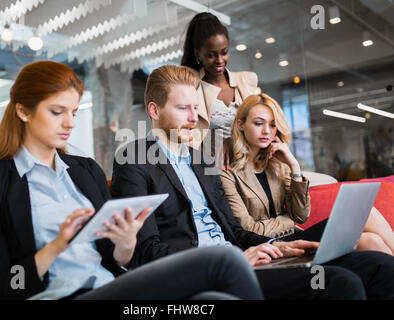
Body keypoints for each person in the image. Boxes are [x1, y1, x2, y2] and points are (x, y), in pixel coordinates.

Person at [0, 60, 266, 300]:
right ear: (23, 112)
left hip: (114, 288)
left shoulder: (85, 171)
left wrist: (125, 242)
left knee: (217, 299)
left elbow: (118, 259)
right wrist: (54, 248)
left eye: (74, 112)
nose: (70, 123)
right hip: (64, 294)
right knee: (225, 262)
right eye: (57, 112)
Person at [111, 64, 394, 300]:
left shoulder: (201, 160)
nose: (192, 117)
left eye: (195, 108)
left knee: (379, 265)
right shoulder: (134, 160)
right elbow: (146, 249)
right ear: (153, 110)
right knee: (342, 283)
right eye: (183, 108)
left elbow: (234, 229)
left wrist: (274, 245)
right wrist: (228, 260)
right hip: (206, 269)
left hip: (242, 255)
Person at [219, 93, 394, 256]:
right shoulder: (228, 173)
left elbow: (301, 215)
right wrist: (288, 221)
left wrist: (294, 166)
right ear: (241, 125)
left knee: (372, 239)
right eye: (259, 123)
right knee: (365, 221)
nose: (267, 131)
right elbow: (248, 229)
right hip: (271, 246)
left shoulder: (279, 166)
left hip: (296, 236)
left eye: (272, 124)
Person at [181, 12, 258, 168]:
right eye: (211, 55)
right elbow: (184, 137)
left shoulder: (247, 82)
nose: (220, 60)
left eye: (224, 52)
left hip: (248, 168)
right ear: (198, 54)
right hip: (210, 171)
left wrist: (232, 140)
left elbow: (260, 127)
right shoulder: (190, 88)